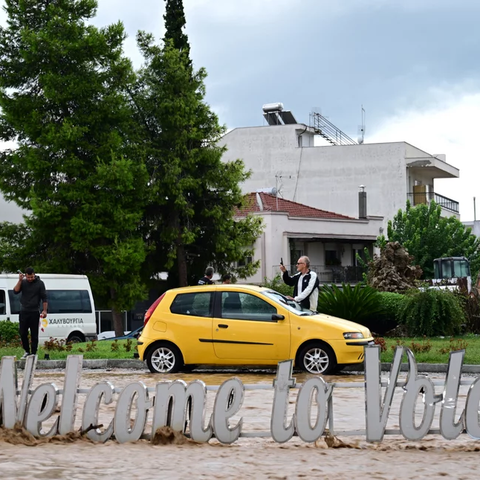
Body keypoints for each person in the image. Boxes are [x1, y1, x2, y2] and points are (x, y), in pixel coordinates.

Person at [13, 267, 48, 358]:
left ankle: (33, 352)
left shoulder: (40, 283)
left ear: (34, 274)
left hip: (34, 311)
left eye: (31, 277)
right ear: (25, 276)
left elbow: (44, 298)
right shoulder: (23, 282)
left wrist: (44, 310)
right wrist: (20, 280)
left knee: (34, 333)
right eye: (28, 277)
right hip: (24, 311)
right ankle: (27, 351)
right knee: (23, 332)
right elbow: (15, 291)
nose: (30, 279)